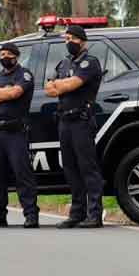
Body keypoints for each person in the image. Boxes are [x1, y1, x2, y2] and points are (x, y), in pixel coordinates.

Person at [45, 25, 104, 228]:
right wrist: (60, 84)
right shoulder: (64, 63)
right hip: (65, 121)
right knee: (70, 168)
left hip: (81, 121)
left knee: (87, 168)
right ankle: (76, 213)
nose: (68, 42)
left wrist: (60, 84)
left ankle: (94, 214)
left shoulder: (90, 62)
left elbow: (71, 84)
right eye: (66, 38)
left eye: (71, 38)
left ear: (82, 40)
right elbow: (49, 89)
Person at [0, 42, 40, 228]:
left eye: (8, 54)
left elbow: (16, 92)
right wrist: (2, 93)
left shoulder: (24, 74)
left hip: (15, 132)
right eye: (2, 54)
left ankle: (30, 215)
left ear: (16, 56)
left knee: (22, 174)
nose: (4, 57)